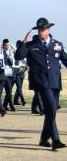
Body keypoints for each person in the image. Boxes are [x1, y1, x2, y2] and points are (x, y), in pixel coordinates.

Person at [15, 17, 67, 150]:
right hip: (41, 82)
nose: (40, 32)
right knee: (50, 107)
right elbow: (18, 56)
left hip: (55, 82)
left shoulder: (57, 44)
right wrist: (23, 43)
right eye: (39, 30)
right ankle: (55, 140)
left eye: (43, 30)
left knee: (52, 111)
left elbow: (65, 59)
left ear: (48, 30)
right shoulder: (31, 45)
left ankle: (44, 138)